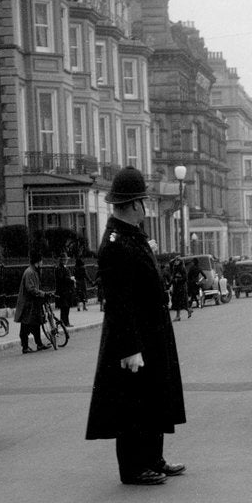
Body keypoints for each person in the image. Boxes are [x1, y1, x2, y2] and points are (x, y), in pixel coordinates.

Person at [86, 166, 186, 486]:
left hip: (151, 331)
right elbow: (119, 301)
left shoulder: (131, 236)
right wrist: (129, 347)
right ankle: (133, 467)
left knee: (154, 395)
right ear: (134, 205)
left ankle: (153, 457)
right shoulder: (117, 243)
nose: (146, 208)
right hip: (134, 336)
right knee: (133, 402)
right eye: (142, 202)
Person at [15, 252, 49, 353]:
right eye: (41, 261)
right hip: (27, 304)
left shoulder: (34, 271)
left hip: (32, 303)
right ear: (37, 262)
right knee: (26, 325)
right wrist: (42, 293)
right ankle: (25, 347)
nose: (42, 263)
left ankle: (39, 344)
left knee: (36, 324)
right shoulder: (30, 272)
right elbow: (30, 288)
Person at [55, 254, 75, 327]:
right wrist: (70, 279)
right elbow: (62, 279)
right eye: (65, 259)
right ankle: (64, 322)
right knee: (64, 307)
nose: (66, 261)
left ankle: (65, 322)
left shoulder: (64, 268)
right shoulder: (59, 268)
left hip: (66, 290)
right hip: (63, 291)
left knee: (66, 307)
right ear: (62, 260)